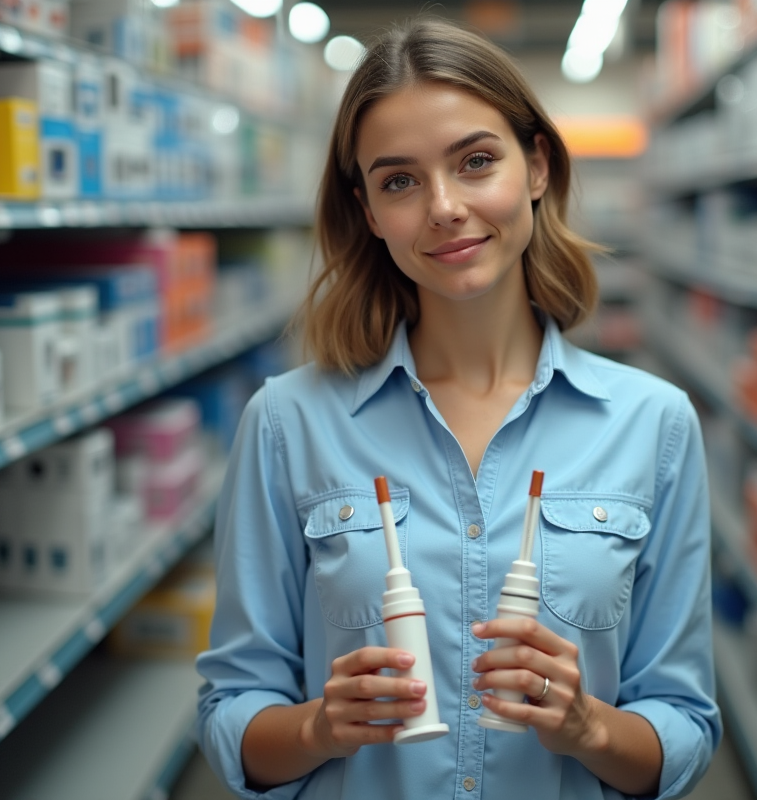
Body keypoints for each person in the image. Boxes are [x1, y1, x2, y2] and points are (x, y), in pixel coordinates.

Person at [195, 17, 721, 800]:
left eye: (476, 162)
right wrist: (316, 728)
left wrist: (589, 727)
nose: (443, 207)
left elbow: (683, 722)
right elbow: (231, 710)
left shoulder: (654, 424)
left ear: (537, 165)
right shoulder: (286, 422)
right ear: (369, 211)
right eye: (399, 181)